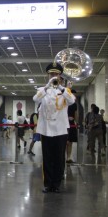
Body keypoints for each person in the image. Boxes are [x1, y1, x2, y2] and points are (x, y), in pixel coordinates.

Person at [33, 62, 75, 193]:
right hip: (46, 129)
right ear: (48, 75)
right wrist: (47, 86)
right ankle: (48, 184)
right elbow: (35, 99)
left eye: (56, 74)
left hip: (60, 129)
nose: (53, 76)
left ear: (60, 75)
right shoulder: (42, 90)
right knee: (47, 158)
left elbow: (72, 101)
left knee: (59, 158)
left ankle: (56, 184)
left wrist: (61, 88)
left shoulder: (65, 91)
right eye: (51, 74)